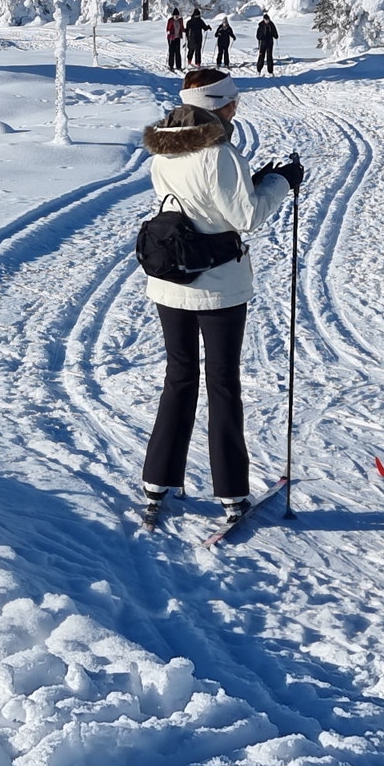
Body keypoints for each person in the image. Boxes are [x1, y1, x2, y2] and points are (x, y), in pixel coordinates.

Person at [138, 67, 302, 528]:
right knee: (223, 383)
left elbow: (199, 204)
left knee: (179, 377)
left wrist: (255, 181)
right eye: (233, 101)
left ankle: (157, 482)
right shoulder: (220, 153)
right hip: (217, 286)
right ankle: (231, 493)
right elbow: (246, 217)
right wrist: (281, 182)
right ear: (220, 105)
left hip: (170, 279)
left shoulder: (164, 149)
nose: (236, 107)